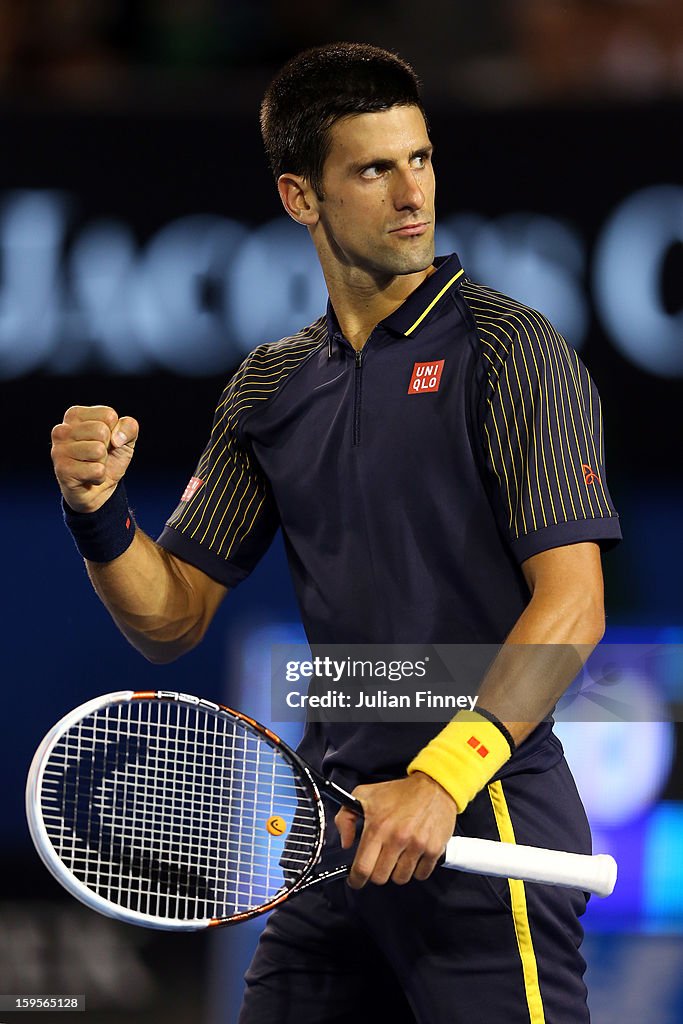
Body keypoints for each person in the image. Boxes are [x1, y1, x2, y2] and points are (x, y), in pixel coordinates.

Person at [51, 42, 621, 1024]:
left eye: (421, 159)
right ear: (299, 197)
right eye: (372, 168)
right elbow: (172, 615)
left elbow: (570, 606)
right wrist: (99, 514)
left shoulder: (512, 348)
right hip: (335, 836)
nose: (412, 193)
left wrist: (438, 783)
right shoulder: (268, 386)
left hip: (482, 824)